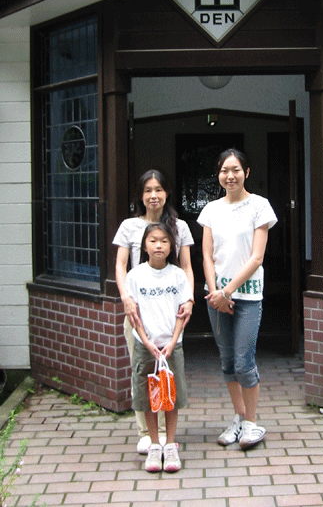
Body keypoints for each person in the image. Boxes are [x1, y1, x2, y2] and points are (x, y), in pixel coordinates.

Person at [197, 148, 277, 450]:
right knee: (228, 362)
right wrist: (214, 292)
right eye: (224, 170)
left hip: (248, 296)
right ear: (218, 174)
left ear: (246, 172)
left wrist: (227, 292)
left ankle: (252, 423)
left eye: (236, 170)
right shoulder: (211, 210)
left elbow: (257, 257)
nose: (229, 176)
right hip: (217, 297)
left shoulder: (260, 206)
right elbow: (207, 255)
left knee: (244, 362)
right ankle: (239, 418)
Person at [113, 170, 194, 454]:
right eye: (147, 190)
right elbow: (120, 265)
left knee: (168, 371)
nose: (153, 195)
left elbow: (186, 266)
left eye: (158, 189)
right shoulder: (129, 226)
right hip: (137, 311)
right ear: (141, 195)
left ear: (167, 193)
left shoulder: (180, 227)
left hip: (168, 311)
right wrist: (126, 299)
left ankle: (164, 434)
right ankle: (146, 432)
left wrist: (189, 299)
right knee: (142, 370)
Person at [126, 222, 193, 472]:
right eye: (153, 240)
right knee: (148, 396)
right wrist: (146, 342)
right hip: (146, 346)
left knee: (171, 395)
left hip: (171, 346)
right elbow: (134, 315)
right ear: (144, 246)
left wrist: (173, 341)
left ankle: (170, 445)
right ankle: (154, 445)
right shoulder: (135, 276)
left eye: (164, 241)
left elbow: (183, 311)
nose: (158, 246)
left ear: (171, 246)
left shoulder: (178, 275)